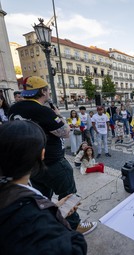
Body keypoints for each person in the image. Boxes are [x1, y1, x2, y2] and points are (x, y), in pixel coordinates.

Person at [8, 76, 96, 234]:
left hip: (32, 163)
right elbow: (65, 132)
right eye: (48, 89)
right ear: (43, 91)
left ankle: (47, 221)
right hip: (53, 162)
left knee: (42, 196)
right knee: (69, 194)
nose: (49, 92)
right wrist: (58, 115)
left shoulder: (14, 109)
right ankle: (75, 226)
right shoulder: (43, 110)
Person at [0, 120, 87, 254]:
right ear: (42, 154)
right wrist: (55, 217)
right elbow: (74, 248)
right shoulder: (33, 217)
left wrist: (55, 209)